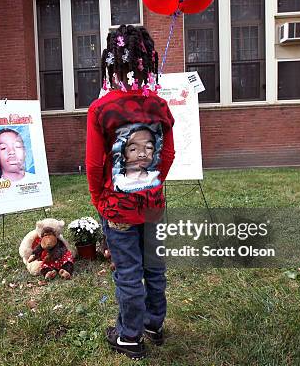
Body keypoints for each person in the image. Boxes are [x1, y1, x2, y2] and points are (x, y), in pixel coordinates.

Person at [85, 24, 175, 359]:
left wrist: (98, 199)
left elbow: (94, 165)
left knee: (128, 273)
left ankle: (129, 336)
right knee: (154, 268)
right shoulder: (160, 106)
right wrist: (154, 181)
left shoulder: (101, 108)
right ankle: (154, 323)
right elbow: (168, 155)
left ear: (111, 62)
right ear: (147, 60)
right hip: (153, 204)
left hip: (119, 208)